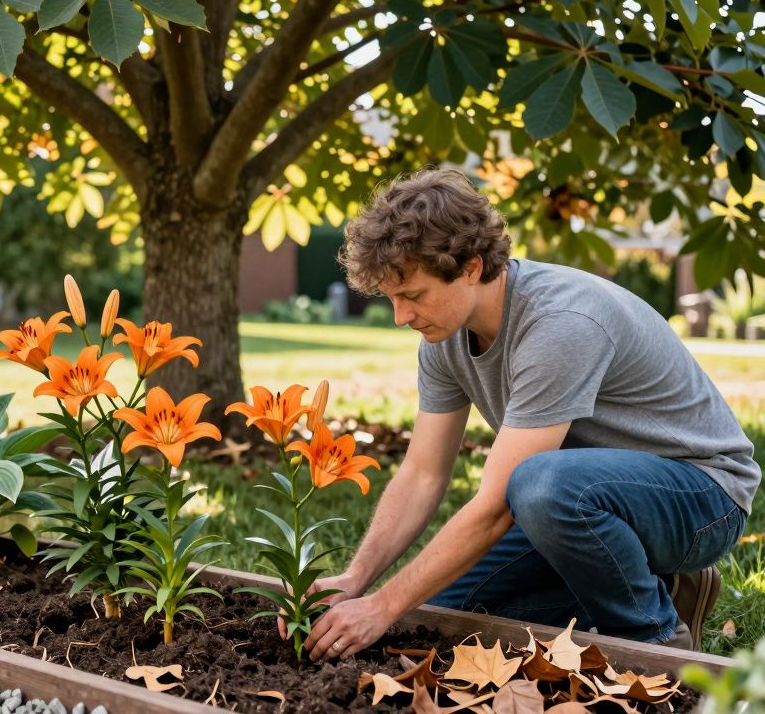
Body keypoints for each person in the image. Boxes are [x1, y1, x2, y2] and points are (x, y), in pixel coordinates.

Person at [301, 168, 758, 660]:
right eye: (391, 298)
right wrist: (357, 581)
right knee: (446, 612)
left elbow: (498, 505)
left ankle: (654, 641)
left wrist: (382, 607)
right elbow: (422, 474)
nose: (400, 316)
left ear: (472, 267)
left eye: (412, 295)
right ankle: (661, 587)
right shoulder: (442, 334)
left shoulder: (560, 323)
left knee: (537, 485)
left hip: (701, 497)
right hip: (588, 498)